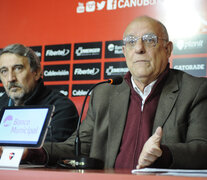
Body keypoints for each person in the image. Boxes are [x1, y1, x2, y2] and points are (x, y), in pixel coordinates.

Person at [16, 16, 207, 169]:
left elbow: (202, 148)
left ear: (168, 49)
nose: (139, 48)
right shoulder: (104, 93)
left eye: (149, 40)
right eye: (131, 42)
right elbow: (77, 145)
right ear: (124, 52)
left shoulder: (194, 90)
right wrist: (32, 152)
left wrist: (164, 153)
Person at [0, 44, 79, 143]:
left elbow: (48, 153)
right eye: (4, 71)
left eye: (18, 68)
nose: (10, 78)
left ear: (36, 72)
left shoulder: (60, 107)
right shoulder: (1, 104)